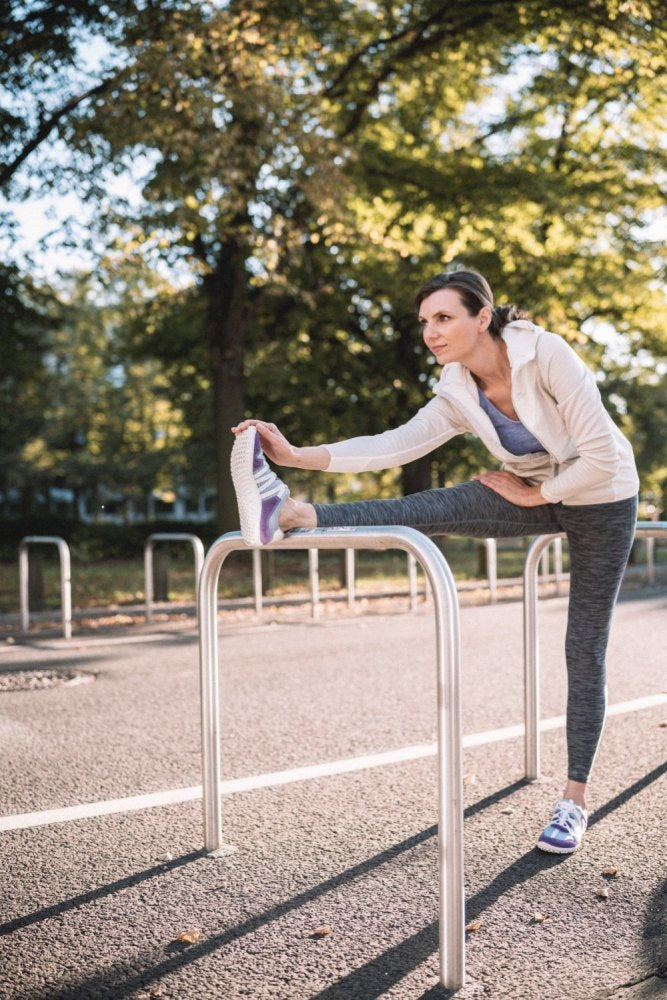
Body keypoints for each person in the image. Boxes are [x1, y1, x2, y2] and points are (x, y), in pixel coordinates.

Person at [230, 268, 639, 854]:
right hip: (528, 489)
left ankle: (573, 800)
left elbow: (601, 455)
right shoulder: (457, 389)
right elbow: (394, 443)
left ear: (483, 316)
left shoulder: (548, 355)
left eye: (443, 318)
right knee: (430, 506)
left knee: (583, 644)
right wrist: (296, 454)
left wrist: (539, 493)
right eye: (425, 321)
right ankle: (294, 514)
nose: (431, 331)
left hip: (601, 497)